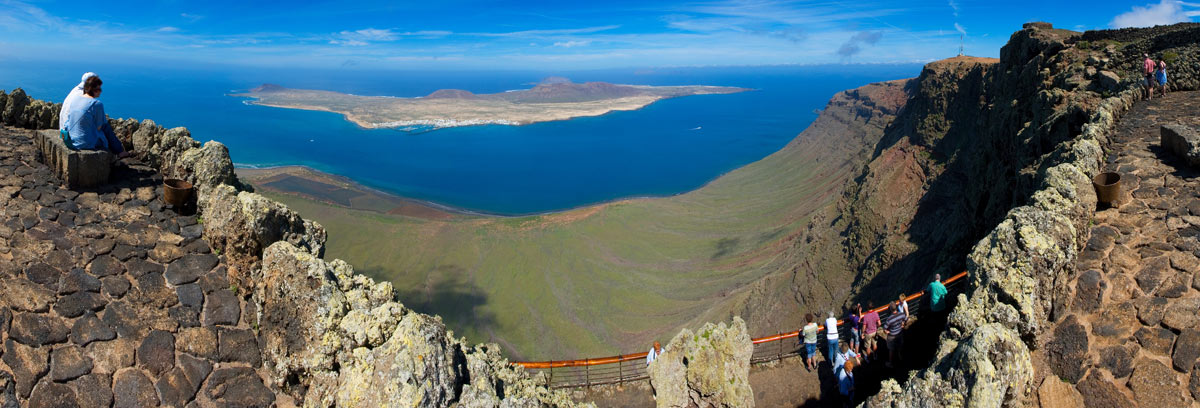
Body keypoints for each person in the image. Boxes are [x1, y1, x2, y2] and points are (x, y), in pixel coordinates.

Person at [64, 76, 130, 157]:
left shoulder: (75, 99)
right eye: (98, 89)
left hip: (72, 140)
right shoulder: (96, 104)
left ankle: (118, 151)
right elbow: (99, 127)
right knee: (106, 127)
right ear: (92, 90)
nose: (100, 92)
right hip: (85, 143)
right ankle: (119, 151)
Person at [884, 303, 906, 367]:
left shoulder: (889, 319)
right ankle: (900, 357)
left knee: (891, 349)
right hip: (899, 333)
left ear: (891, 309)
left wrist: (887, 332)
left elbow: (885, 329)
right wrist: (902, 325)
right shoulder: (902, 314)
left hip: (892, 336)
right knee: (900, 345)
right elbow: (906, 319)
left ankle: (890, 363)